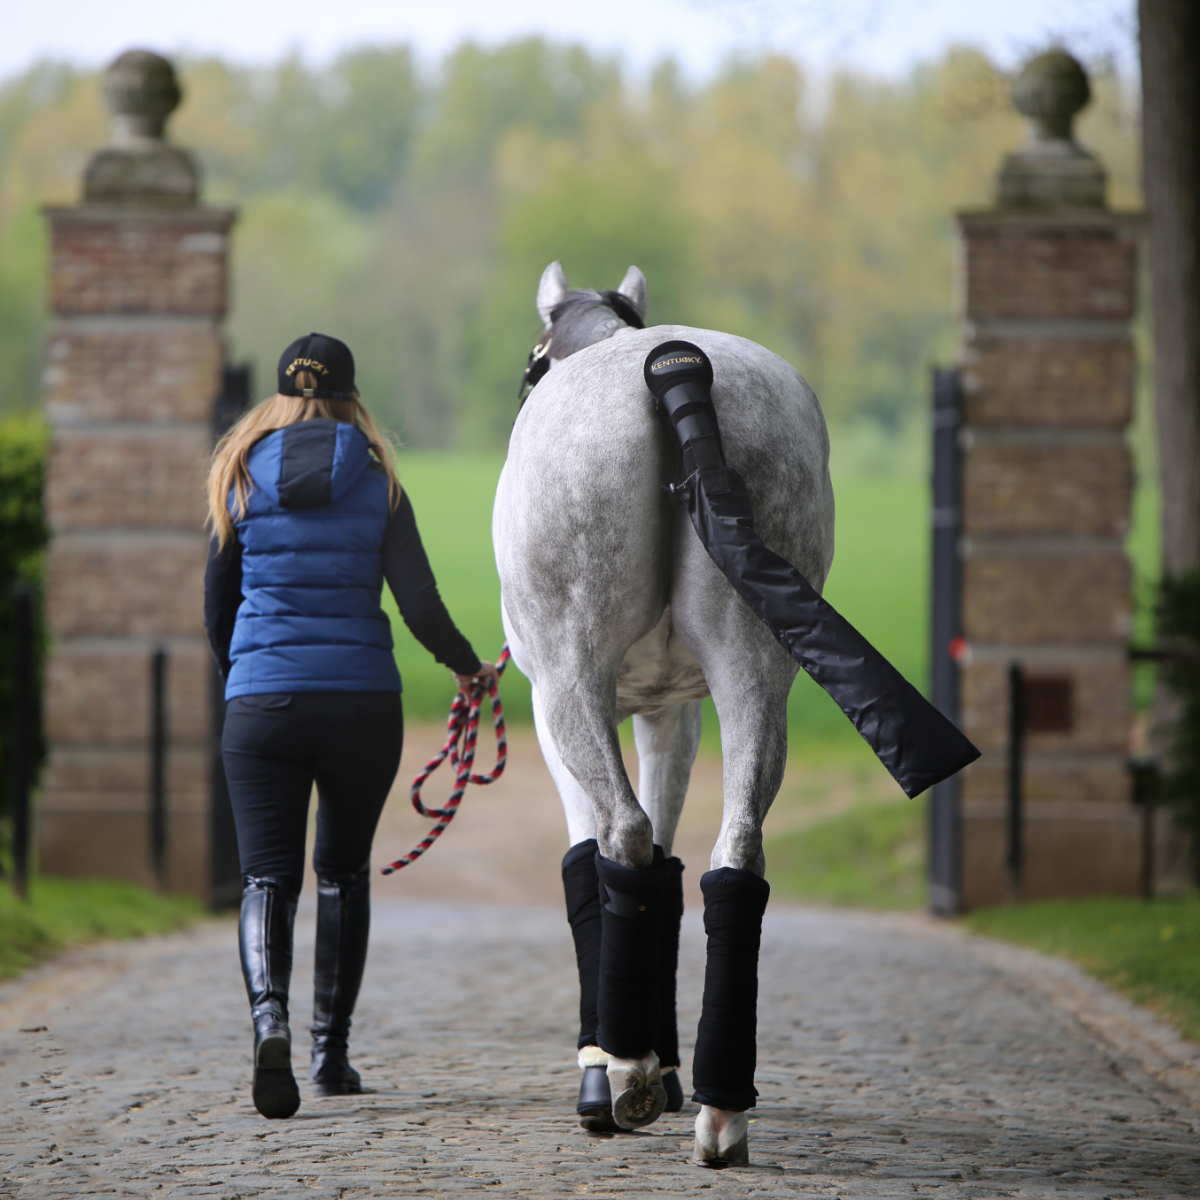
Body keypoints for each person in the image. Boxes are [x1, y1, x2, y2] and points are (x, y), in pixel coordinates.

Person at [204, 332, 496, 1119]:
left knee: (267, 877)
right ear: (350, 395)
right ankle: (330, 1055)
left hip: (263, 704)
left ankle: (271, 1023)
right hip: (362, 702)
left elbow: (216, 605)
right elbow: (420, 604)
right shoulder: (378, 482)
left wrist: (248, 681)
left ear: (281, 394)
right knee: (341, 871)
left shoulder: (238, 473)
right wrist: (469, 668)